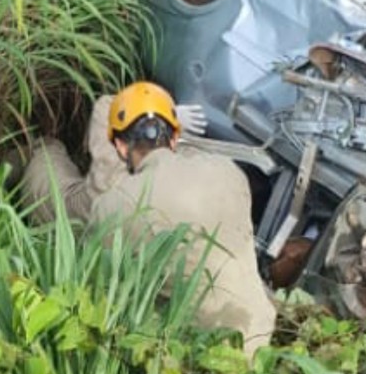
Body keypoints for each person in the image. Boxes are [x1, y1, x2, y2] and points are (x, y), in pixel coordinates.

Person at [23, 82, 276, 356]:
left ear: (119, 145)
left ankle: (32, 151)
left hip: (196, 357)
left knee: (46, 162)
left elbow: (96, 264)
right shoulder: (228, 173)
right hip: (259, 338)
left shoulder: (114, 207)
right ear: (175, 138)